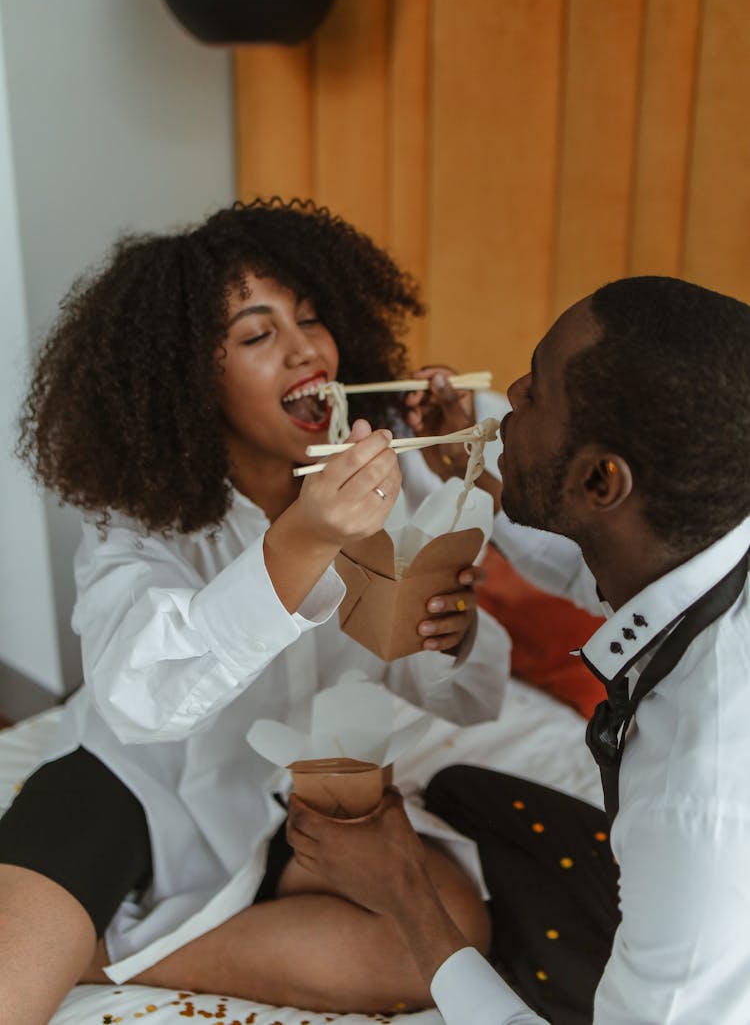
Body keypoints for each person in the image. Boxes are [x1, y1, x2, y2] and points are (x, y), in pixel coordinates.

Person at [0, 197, 508, 1024]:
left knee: (453, 931)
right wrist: (299, 543)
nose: (306, 347)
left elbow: (472, 698)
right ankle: (97, 927)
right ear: (190, 379)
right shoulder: (135, 517)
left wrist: (457, 633)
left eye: (311, 318)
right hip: (126, 783)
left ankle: (110, 953)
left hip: (283, 787)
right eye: (256, 334)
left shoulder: (395, 480)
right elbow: (137, 696)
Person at [287, 275, 750, 1025]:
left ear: (601, 479)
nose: (508, 390)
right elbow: (590, 562)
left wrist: (405, 889)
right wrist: (492, 480)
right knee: (474, 795)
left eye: (535, 391)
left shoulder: (700, 799)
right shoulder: (702, 535)